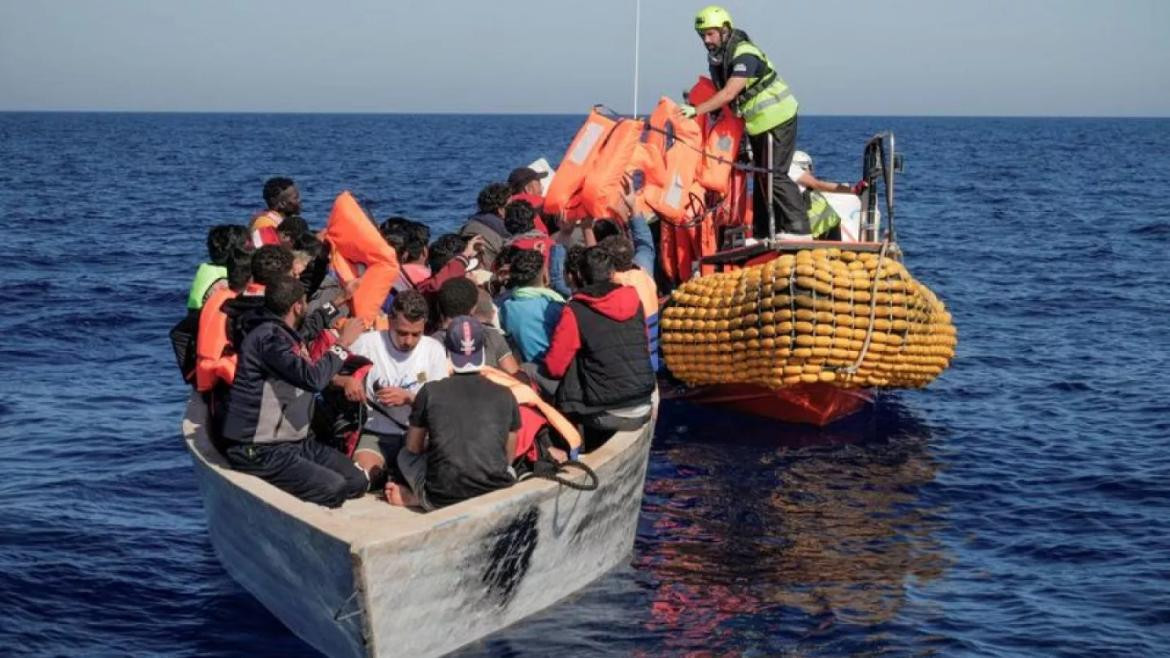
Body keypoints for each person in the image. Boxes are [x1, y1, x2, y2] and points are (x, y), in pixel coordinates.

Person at [218, 276, 369, 508]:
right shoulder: (268, 339)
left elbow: (307, 329)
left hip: (295, 443)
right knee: (334, 488)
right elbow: (313, 380)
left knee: (356, 481)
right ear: (297, 306)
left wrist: (338, 301)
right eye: (305, 302)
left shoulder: (281, 330)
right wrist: (342, 344)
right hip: (259, 449)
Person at [681, 6, 806, 238]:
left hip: (779, 116)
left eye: (710, 33)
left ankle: (799, 228)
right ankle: (762, 232)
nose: (706, 40)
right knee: (761, 175)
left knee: (775, 174)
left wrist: (696, 110)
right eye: (702, 35)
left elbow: (729, 93)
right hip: (758, 124)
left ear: (725, 30)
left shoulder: (744, 53)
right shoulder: (718, 59)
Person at [385, 316, 519, 510]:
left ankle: (418, 498)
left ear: (448, 351)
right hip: (495, 488)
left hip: (442, 497)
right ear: (482, 350)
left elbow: (413, 448)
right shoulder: (506, 394)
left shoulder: (429, 392)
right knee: (508, 469)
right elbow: (508, 457)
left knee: (404, 456)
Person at [543, 248, 656, 436]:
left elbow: (555, 368)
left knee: (556, 367)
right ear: (612, 273)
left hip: (606, 411)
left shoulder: (575, 310)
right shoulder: (634, 298)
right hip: (644, 401)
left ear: (578, 275)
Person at [344, 289, 449, 489]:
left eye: (415, 334)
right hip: (376, 433)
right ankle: (387, 476)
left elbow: (440, 403)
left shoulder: (433, 349)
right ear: (390, 321)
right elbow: (332, 376)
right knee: (361, 479)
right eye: (402, 333)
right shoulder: (367, 344)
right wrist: (349, 382)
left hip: (417, 435)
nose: (408, 341)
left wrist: (410, 398)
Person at [434, 277, 521, 376]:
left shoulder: (430, 344)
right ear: (474, 308)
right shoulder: (491, 335)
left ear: (439, 307)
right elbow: (514, 375)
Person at [496, 249, 565, 364]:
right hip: (550, 371)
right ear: (544, 275)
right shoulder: (554, 307)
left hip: (524, 369)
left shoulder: (505, 308)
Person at [788, 151, 868, 240]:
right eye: (809, 168)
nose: (811, 172)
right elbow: (819, 185)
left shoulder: (788, 184)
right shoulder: (796, 175)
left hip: (817, 228)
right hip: (824, 227)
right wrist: (854, 190)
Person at [460, 182, 512, 269]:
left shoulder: (471, 225)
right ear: (501, 210)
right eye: (512, 205)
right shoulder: (502, 232)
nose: (516, 208)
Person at [251, 177, 301, 246]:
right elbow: (268, 253)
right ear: (282, 204)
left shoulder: (285, 219)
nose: (300, 201)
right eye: (296, 198)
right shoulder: (265, 224)